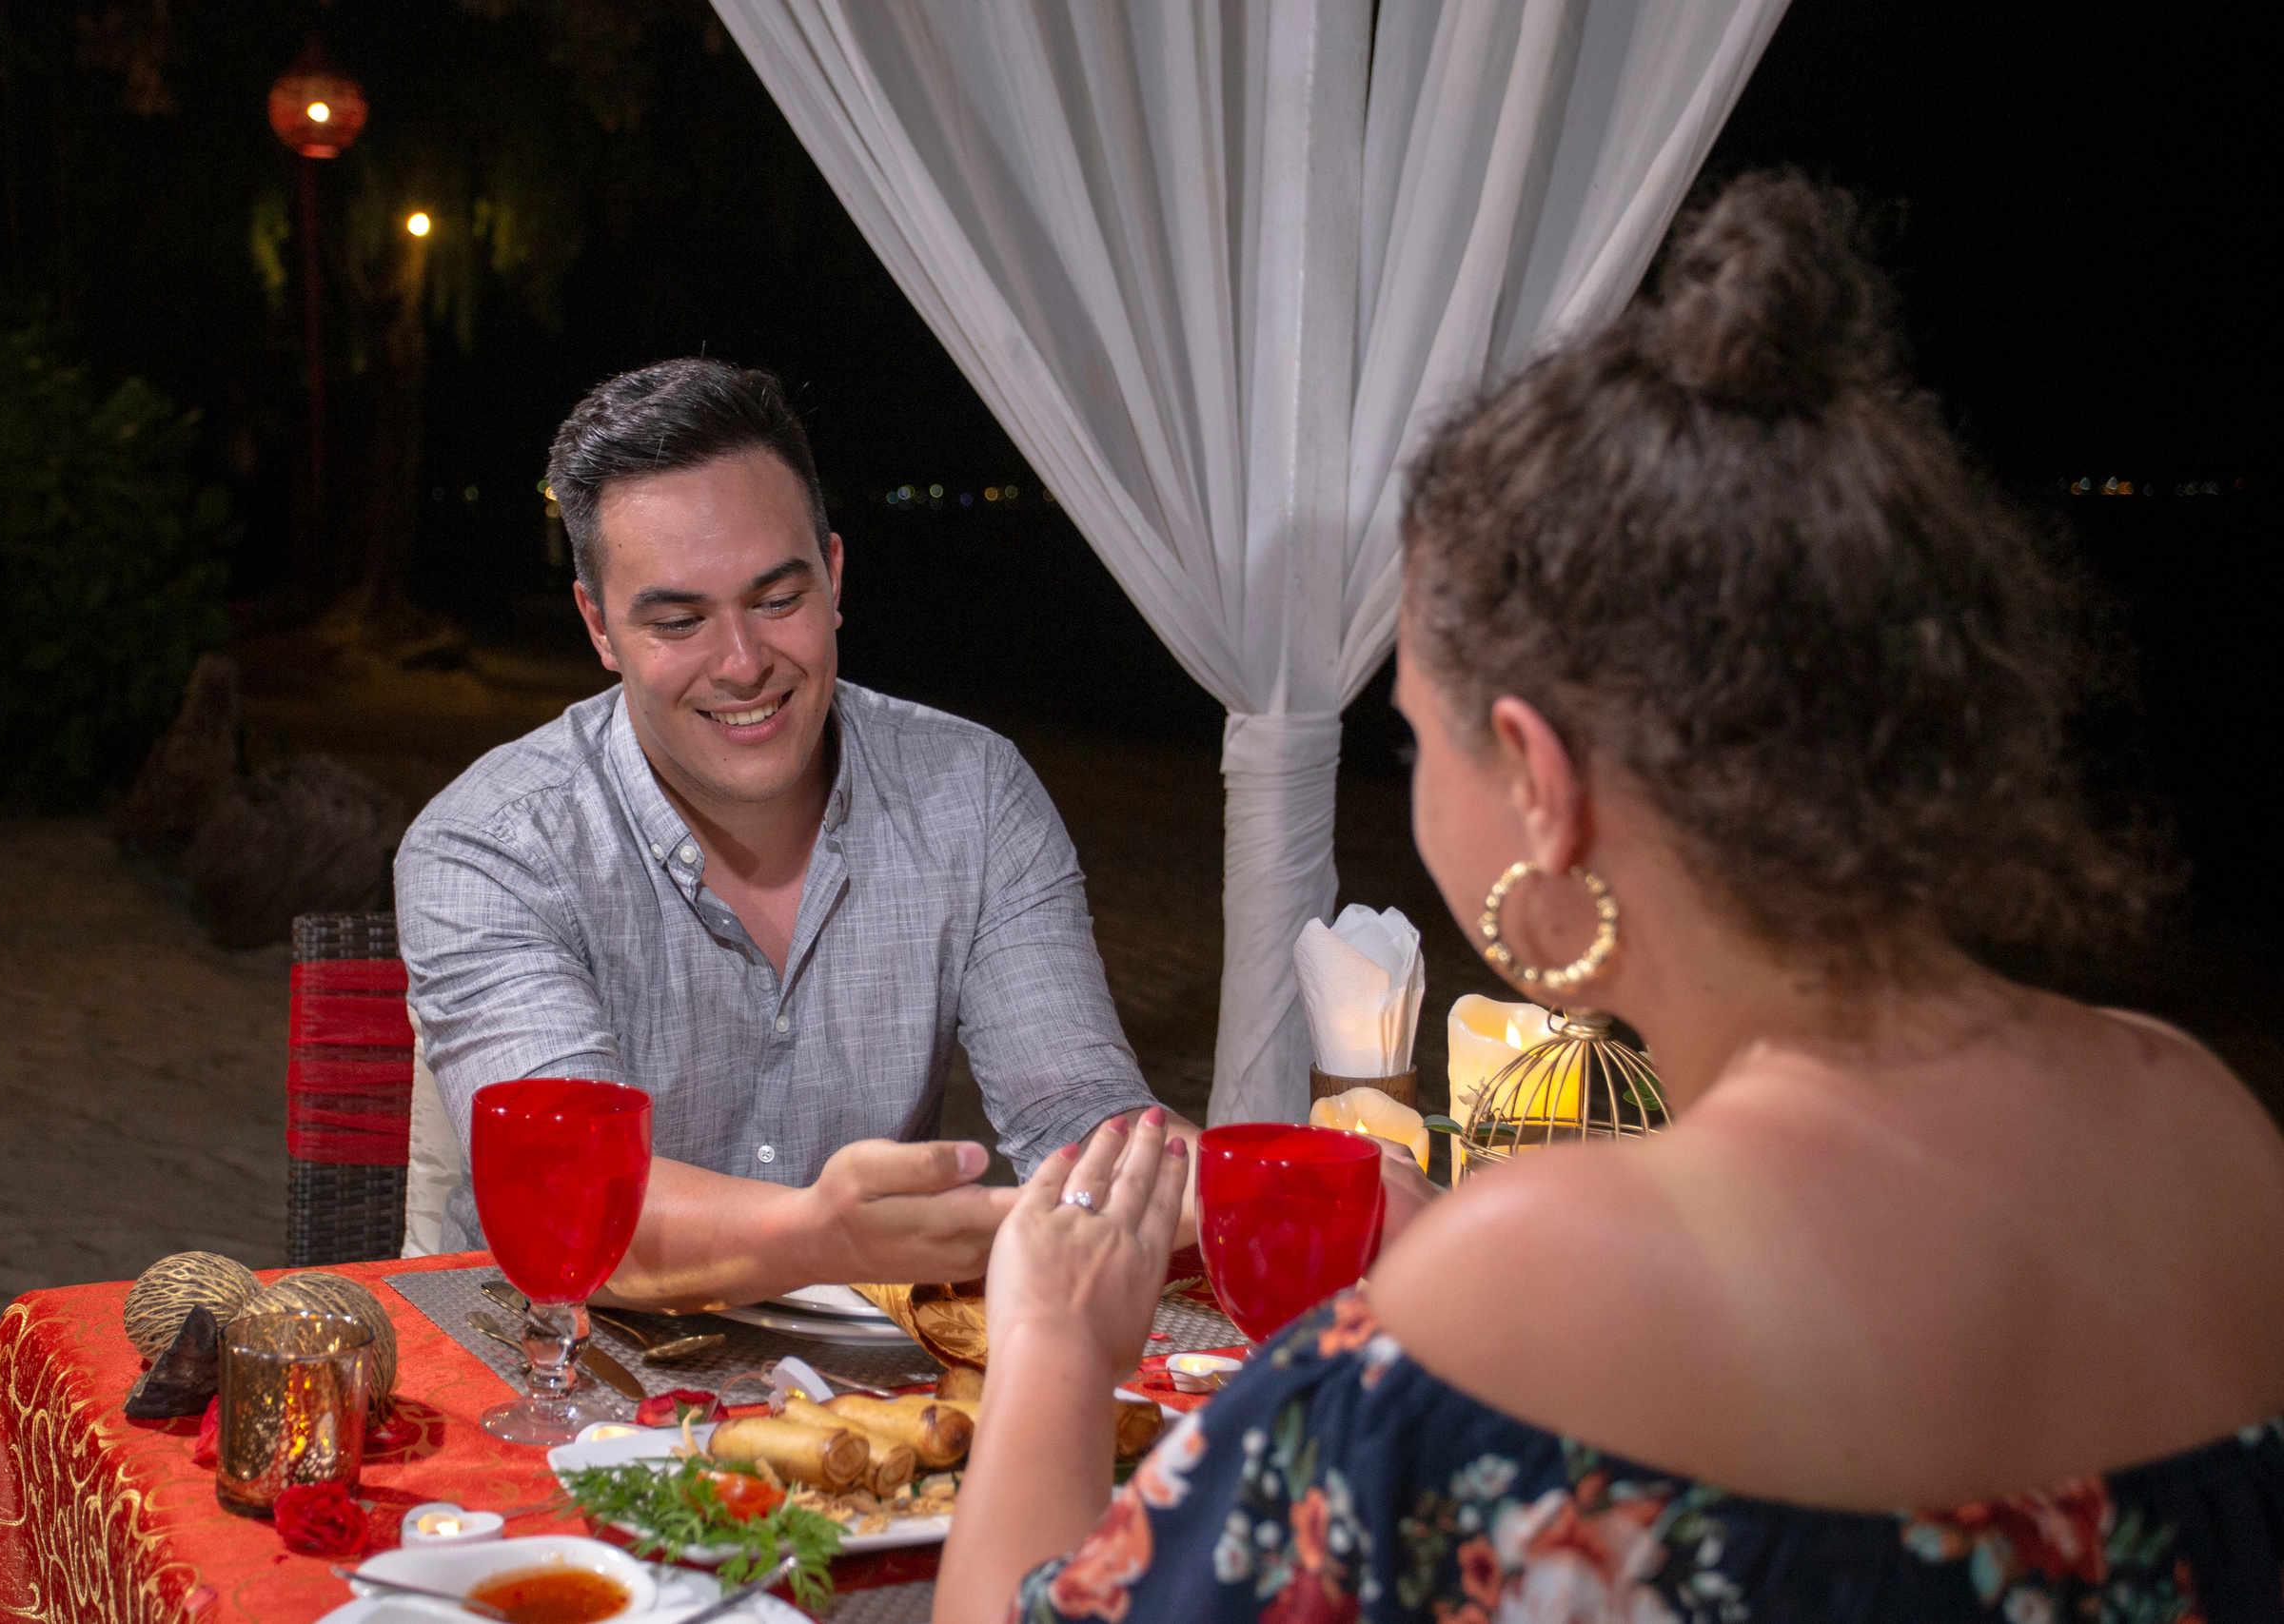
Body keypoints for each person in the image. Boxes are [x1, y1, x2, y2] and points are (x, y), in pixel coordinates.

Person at [935, 172, 2284, 1623]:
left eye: (1416, 734)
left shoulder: (1510, 1292)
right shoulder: (2208, 1123)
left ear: (1541, 779)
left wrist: (1057, 1347)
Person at [394, 358, 1192, 1309]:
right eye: (679, 621)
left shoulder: (971, 795)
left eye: (778, 602)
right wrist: (820, 1234)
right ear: (600, 628)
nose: (743, 665)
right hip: (553, 1364)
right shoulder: (490, 844)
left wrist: (1278, 1183)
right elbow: (573, 1200)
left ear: (834, 574)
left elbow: (1082, 1119)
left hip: (882, 1368)